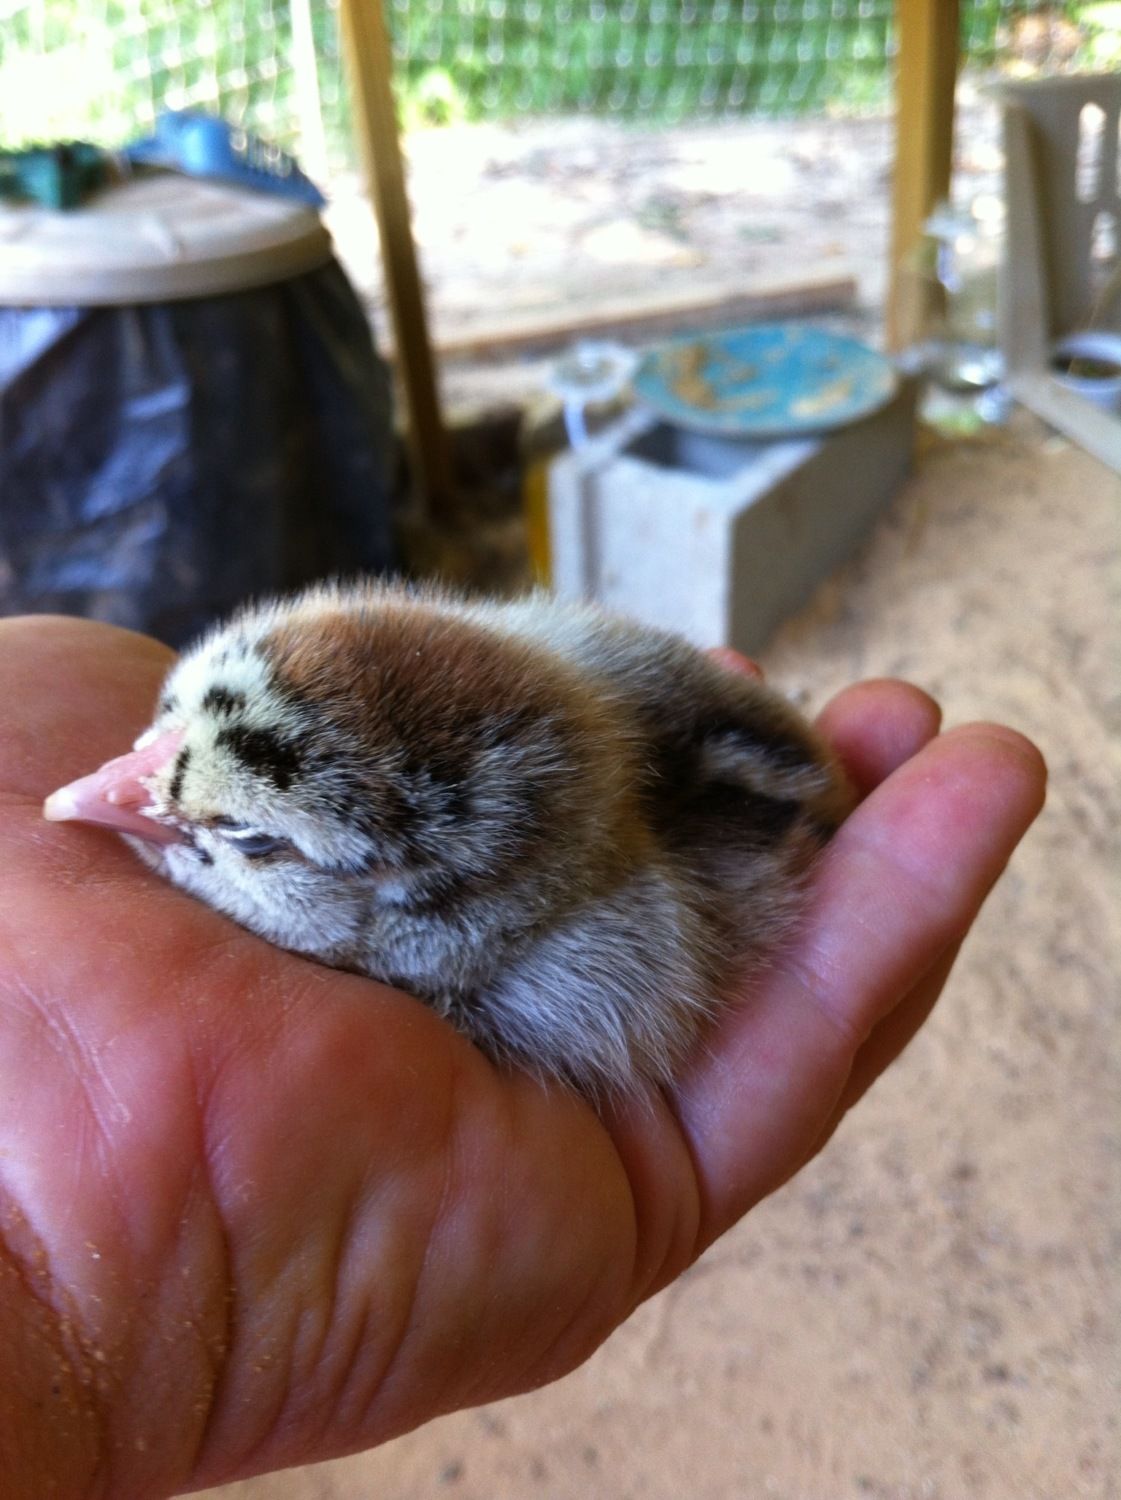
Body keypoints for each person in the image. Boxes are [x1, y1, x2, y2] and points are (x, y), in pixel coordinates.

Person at [0, 615, 1046, 1499]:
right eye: (167, 730)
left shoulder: (575, 969)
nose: (108, 789)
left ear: (424, 911)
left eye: (254, 838)